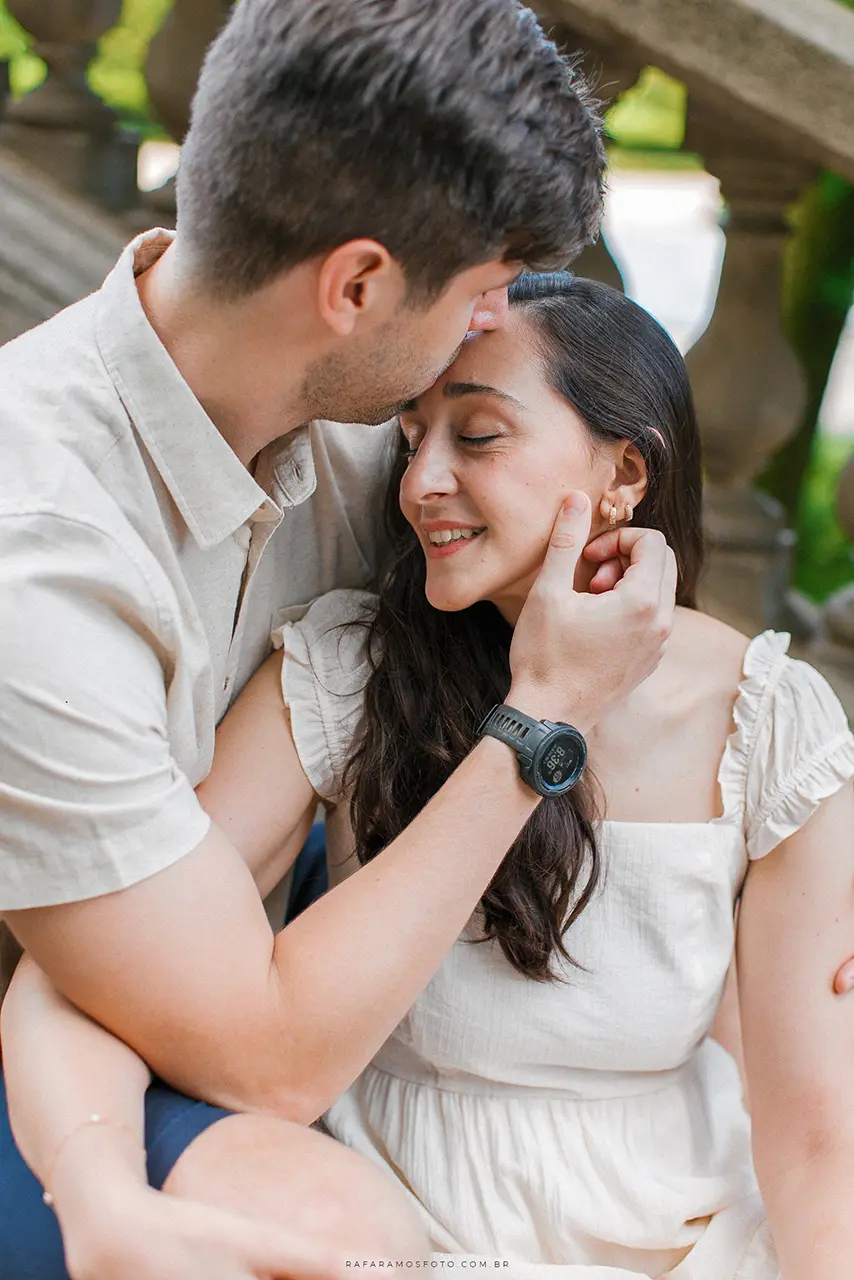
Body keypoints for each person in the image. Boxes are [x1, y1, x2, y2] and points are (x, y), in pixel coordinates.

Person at [0, 0, 685, 1276]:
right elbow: (252, 1049)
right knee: (339, 1240)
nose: (488, 330)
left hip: (261, 956)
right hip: (81, 1037)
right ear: (358, 284)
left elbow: (625, 586)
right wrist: (539, 723)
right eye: (483, 293)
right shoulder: (33, 552)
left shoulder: (387, 442)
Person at [7, 273, 854, 1279]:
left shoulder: (764, 717)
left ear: (624, 469)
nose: (419, 482)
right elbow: (100, 959)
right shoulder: (352, 669)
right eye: (411, 438)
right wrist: (95, 1187)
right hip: (393, 1217)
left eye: (478, 436)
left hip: (682, 1228)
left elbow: (812, 1131)